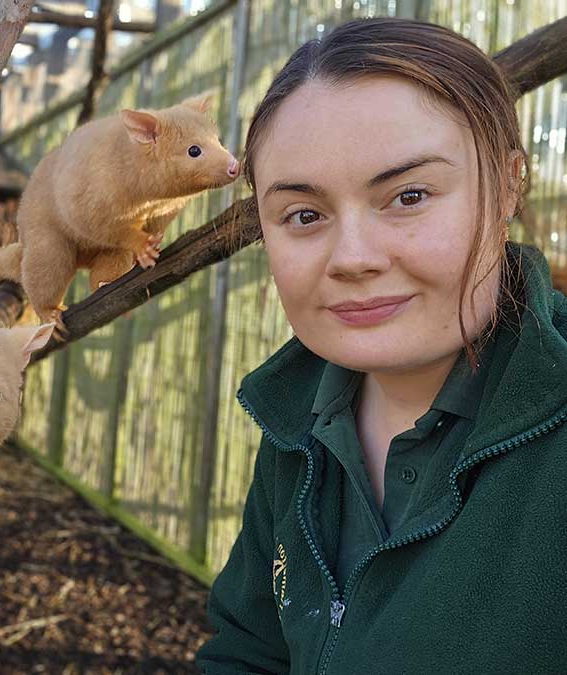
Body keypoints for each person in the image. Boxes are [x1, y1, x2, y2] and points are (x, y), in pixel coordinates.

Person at [196, 17, 567, 674]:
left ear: (509, 184)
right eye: (305, 215)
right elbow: (249, 648)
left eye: (409, 195)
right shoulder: (298, 413)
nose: (353, 257)